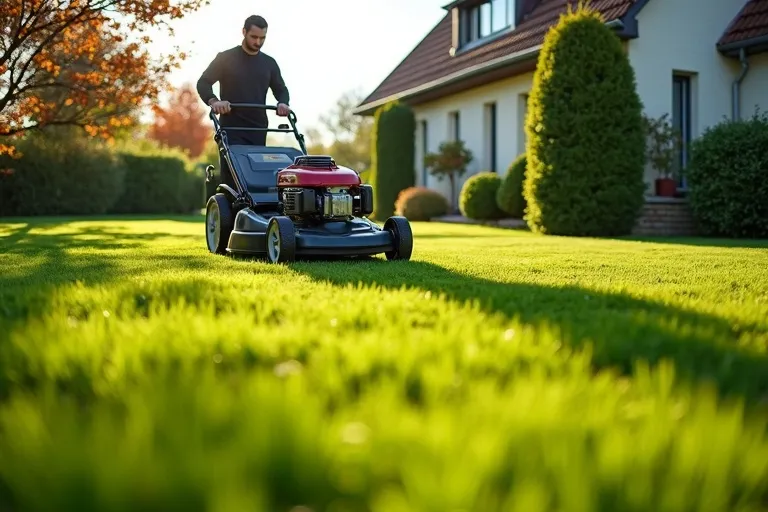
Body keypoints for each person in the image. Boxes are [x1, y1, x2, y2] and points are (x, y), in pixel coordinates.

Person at [196, 14, 290, 188]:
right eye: (254, 37)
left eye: (262, 38)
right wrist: (214, 101)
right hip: (231, 128)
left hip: (258, 127)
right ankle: (229, 213)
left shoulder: (269, 63)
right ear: (244, 32)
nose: (258, 42)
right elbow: (203, 82)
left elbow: (281, 89)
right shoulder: (225, 58)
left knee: (256, 179)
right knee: (233, 178)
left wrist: (283, 102)